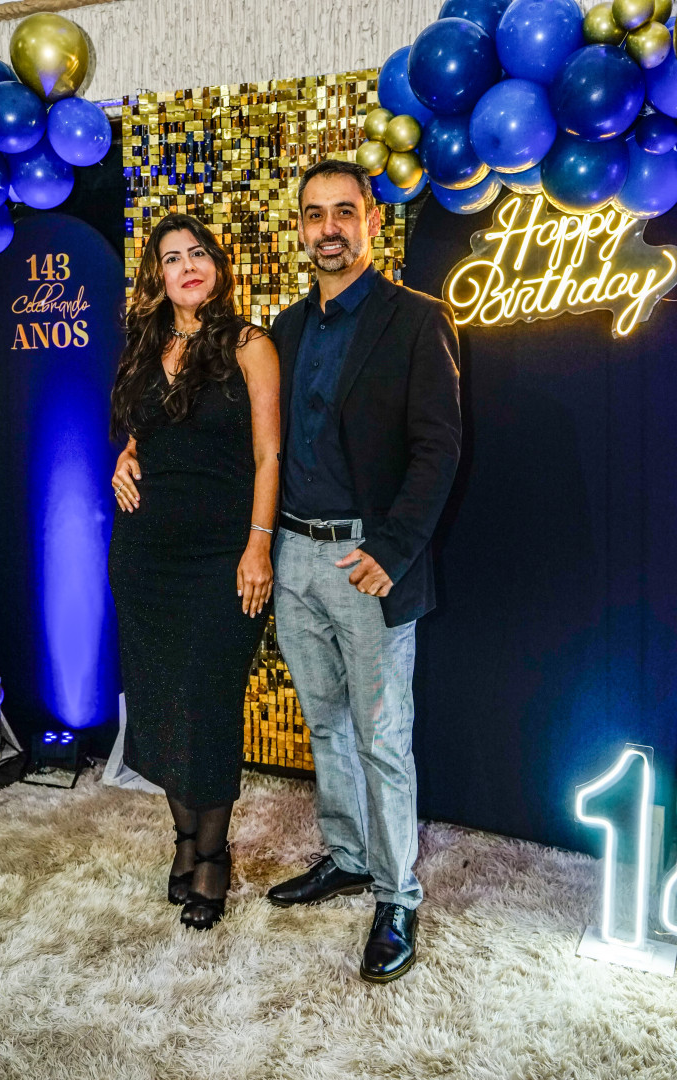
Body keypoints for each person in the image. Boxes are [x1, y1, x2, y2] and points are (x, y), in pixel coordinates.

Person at [266, 159, 461, 983]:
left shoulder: (417, 320)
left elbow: (438, 448)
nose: (329, 229)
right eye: (315, 215)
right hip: (293, 557)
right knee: (325, 723)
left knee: (383, 738)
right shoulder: (283, 330)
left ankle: (397, 894)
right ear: (300, 228)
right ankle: (347, 855)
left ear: (374, 222)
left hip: (364, 560)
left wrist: (391, 550)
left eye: (344, 212)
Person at [108, 213, 279, 931]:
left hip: (221, 557)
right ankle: (184, 841)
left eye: (198, 252)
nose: (188, 265)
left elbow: (269, 455)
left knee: (207, 703)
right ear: (158, 276)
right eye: (172, 257)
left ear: (217, 265)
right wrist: (126, 457)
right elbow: (145, 433)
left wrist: (258, 545)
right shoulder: (145, 345)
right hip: (144, 556)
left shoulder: (250, 345)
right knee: (159, 702)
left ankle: (213, 855)